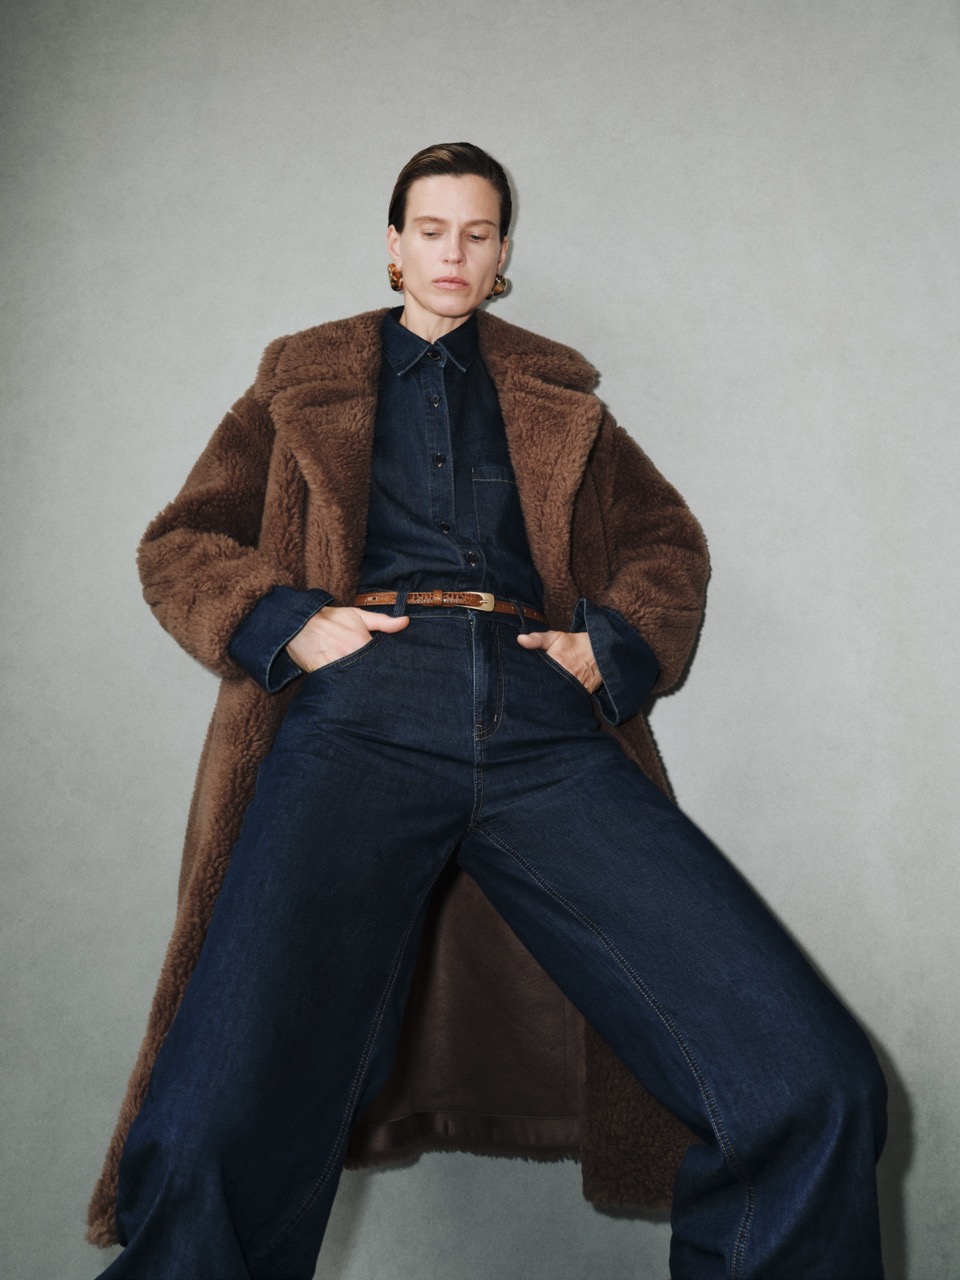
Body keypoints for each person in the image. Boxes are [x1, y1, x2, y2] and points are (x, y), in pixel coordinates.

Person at [88, 143, 887, 1279]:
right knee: (219, 1107)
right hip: (360, 709)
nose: (452, 253)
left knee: (813, 1078)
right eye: (431, 230)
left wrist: (610, 646)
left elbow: (667, 543)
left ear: (504, 251)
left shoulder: (558, 397)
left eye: (477, 233)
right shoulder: (299, 379)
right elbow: (181, 541)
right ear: (393, 244)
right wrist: (282, 622)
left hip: (538, 724)